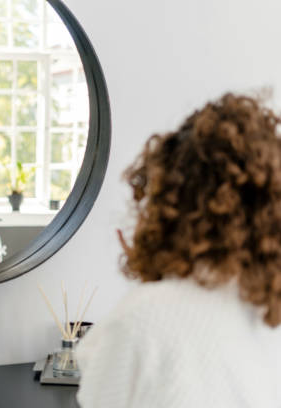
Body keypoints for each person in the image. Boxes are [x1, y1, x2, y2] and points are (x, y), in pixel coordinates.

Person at [76, 94, 281, 407]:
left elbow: (101, 392)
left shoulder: (142, 319)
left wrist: (151, 285)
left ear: (170, 196)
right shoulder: (259, 314)